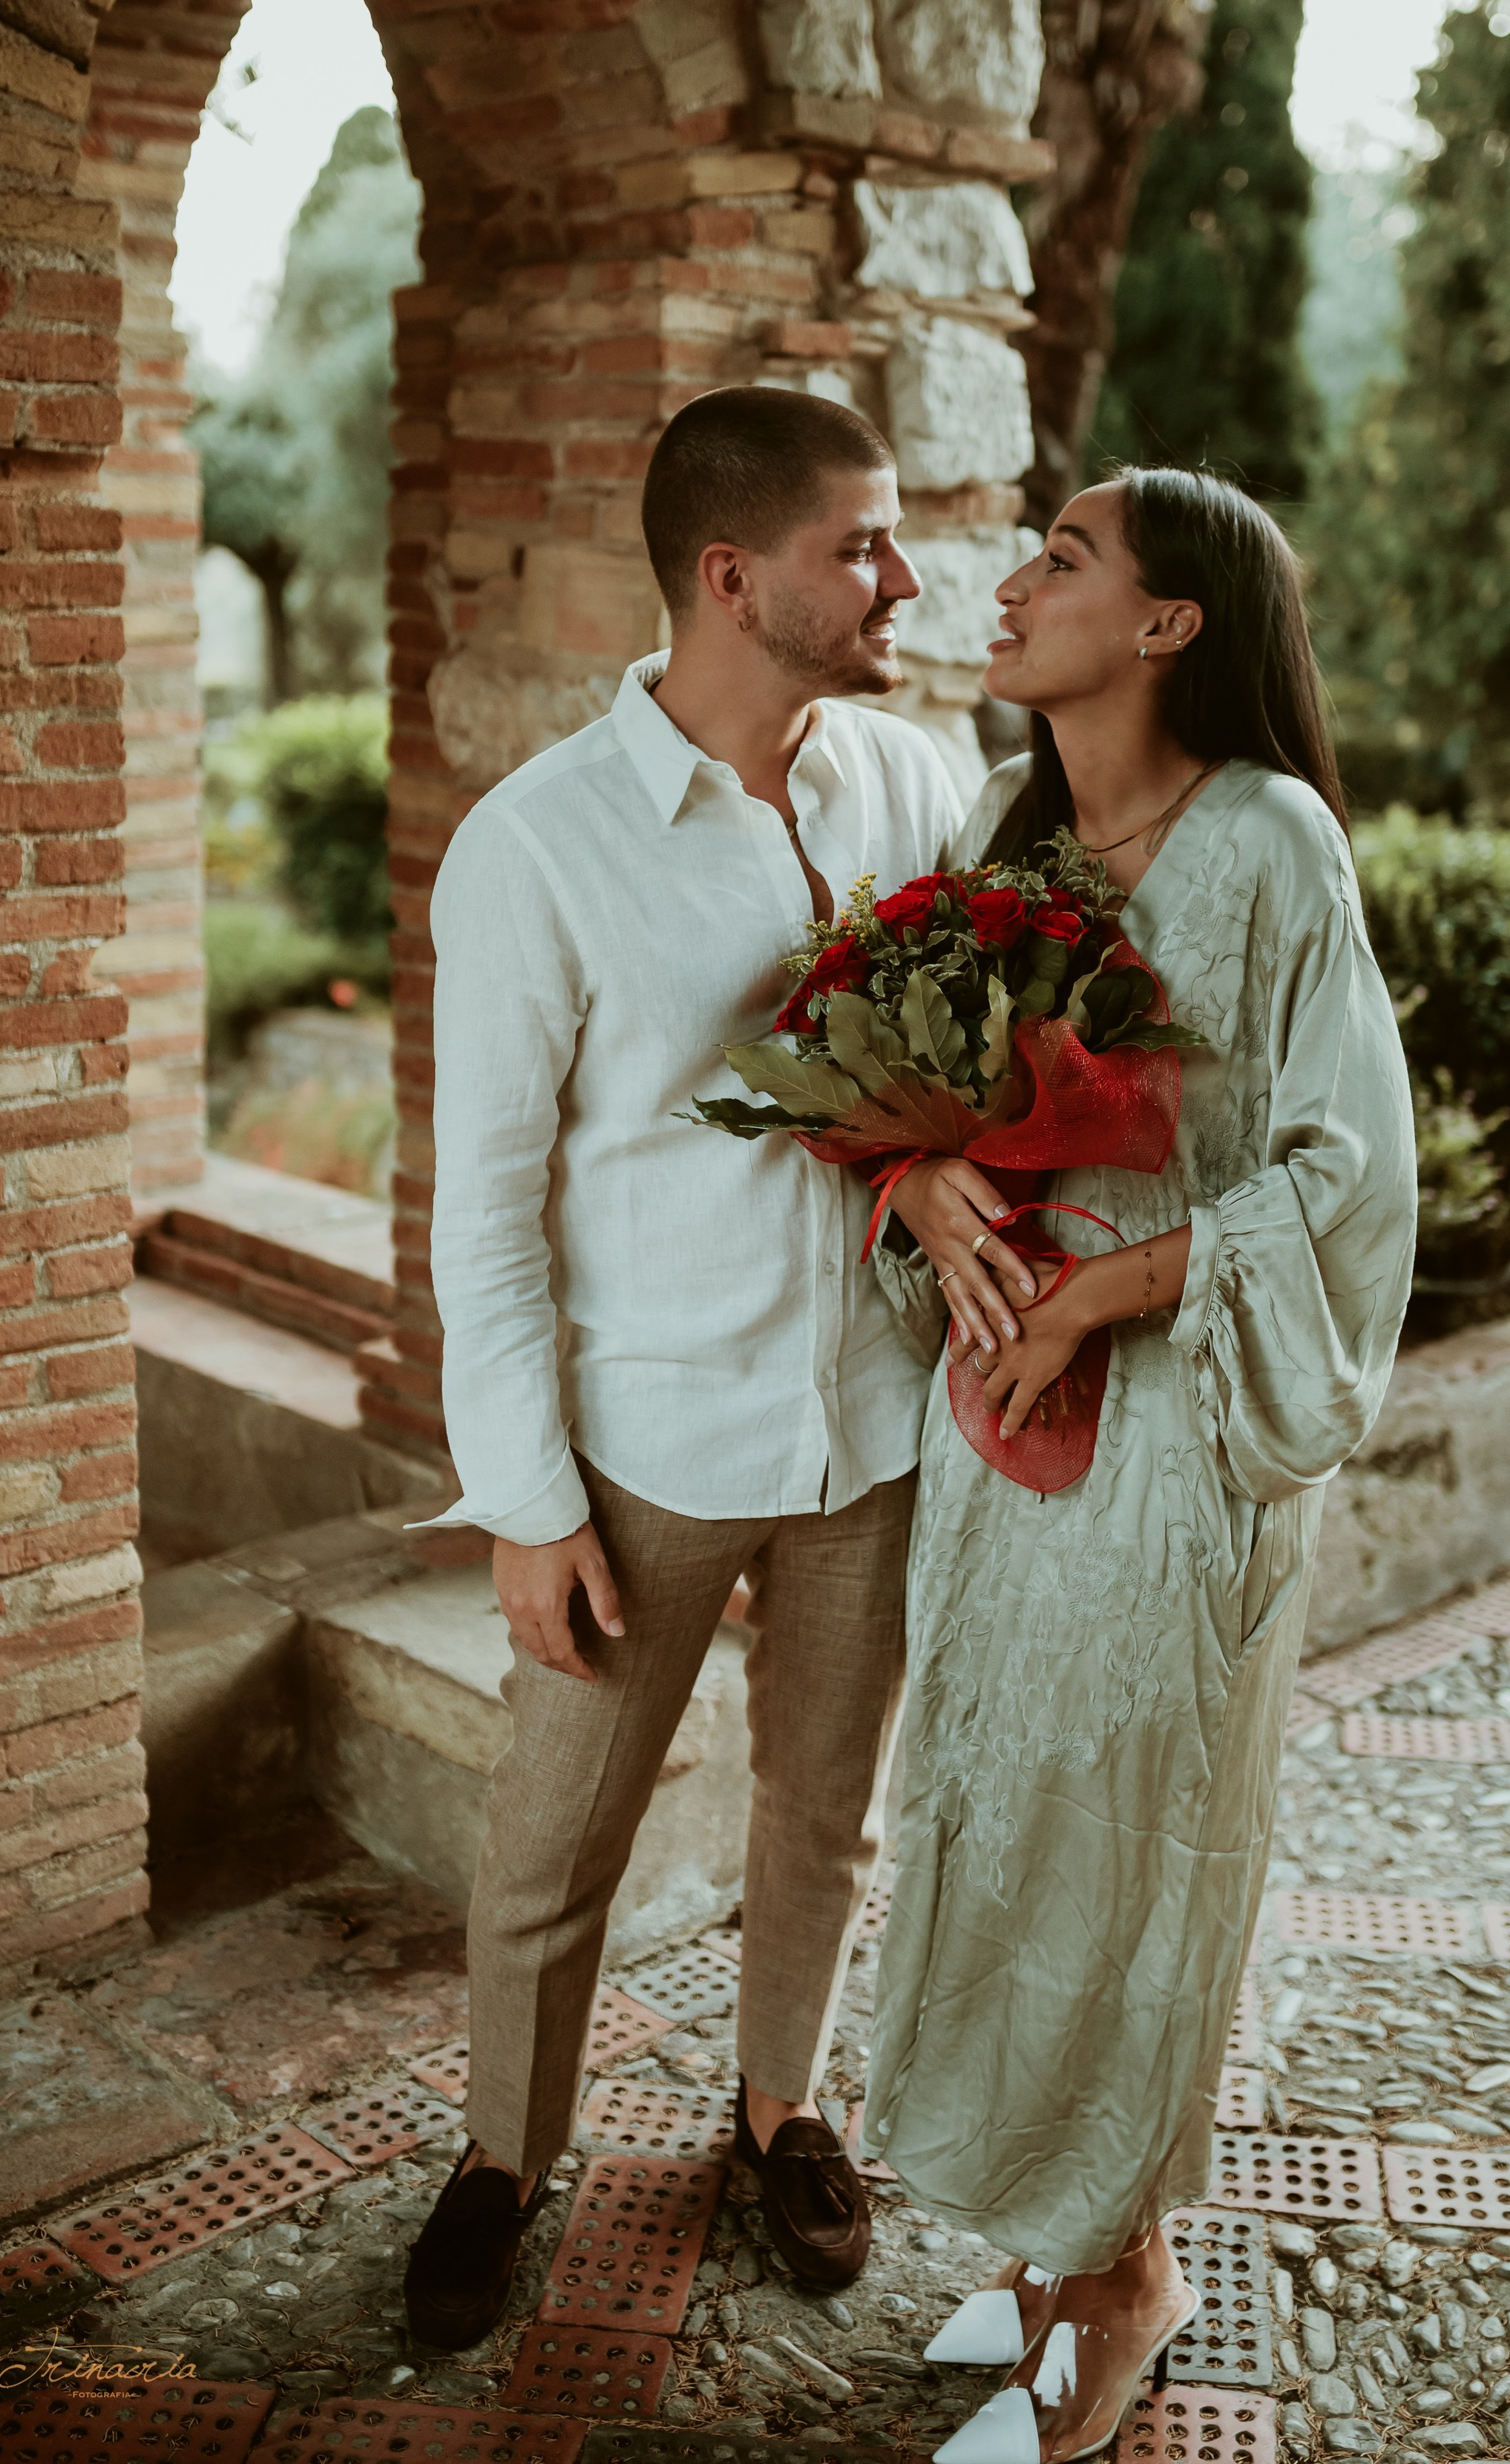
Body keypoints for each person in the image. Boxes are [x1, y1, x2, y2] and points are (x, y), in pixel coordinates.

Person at [401, 386, 965, 2351]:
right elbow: (479, 1213)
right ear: (733, 578)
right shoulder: (536, 850)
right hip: (644, 1452)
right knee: (551, 1845)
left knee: (832, 1811)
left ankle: (781, 2109)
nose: (904, 577)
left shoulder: (915, 782)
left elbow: (958, 1076)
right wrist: (528, 1506)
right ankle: (502, 2155)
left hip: (877, 1431)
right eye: (862, 545)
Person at [865, 469, 1419, 2464]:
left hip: (1177, 1429)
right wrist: (922, 1182)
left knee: (1128, 1835)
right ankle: (1037, 2232)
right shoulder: (1004, 832)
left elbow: (1345, 1173)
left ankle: (1124, 2276)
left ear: (1172, 623)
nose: (1009, 585)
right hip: (1000, 1425)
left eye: (1064, 559)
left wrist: (1112, 1298)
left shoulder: (1272, 845)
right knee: (996, 1810)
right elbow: (907, 1099)